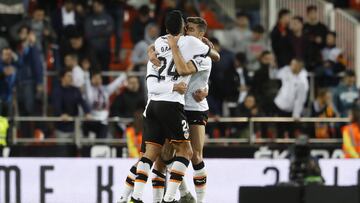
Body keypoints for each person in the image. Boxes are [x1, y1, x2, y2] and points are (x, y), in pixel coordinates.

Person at [130, 10, 219, 203]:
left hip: (193, 107)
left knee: (195, 155)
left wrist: (206, 89)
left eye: (192, 29)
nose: (187, 31)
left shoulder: (200, 52)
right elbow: (159, 44)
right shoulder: (182, 42)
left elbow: (184, 69)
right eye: (186, 28)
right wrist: (150, 50)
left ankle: (197, 199)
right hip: (173, 105)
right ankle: (181, 194)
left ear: (201, 34)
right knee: (163, 157)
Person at [83, 70, 126, 138]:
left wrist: (123, 75)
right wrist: (87, 76)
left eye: (99, 78)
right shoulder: (89, 90)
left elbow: (114, 84)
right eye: (95, 78)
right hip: (91, 120)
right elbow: (88, 94)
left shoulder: (105, 90)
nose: (98, 80)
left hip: (103, 121)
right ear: (92, 80)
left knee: (101, 143)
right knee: (89, 143)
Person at [273, 58, 309, 137]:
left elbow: (300, 100)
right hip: (278, 104)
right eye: (292, 64)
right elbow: (275, 76)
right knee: (279, 130)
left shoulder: (302, 81)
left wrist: (296, 114)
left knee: (291, 132)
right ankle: (278, 148)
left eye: (295, 65)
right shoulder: (285, 71)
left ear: (299, 67)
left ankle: (290, 147)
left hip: (290, 109)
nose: (292, 66)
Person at [52, 70, 91, 138]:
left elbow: (82, 102)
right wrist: (61, 114)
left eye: (72, 76)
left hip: (74, 126)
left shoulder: (75, 90)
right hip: (61, 127)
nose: (71, 78)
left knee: (80, 146)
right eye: (69, 76)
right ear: (62, 78)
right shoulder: (57, 91)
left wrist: (87, 112)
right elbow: (56, 106)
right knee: (62, 147)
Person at [84, 0, 114, 74]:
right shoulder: (89, 19)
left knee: (105, 70)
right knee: (94, 71)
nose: (96, 8)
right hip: (92, 49)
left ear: (102, 6)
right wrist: (103, 32)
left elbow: (110, 31)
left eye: (98, 6)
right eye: (94, 6)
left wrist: (95, 32)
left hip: (105, 49)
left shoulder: (108, 17)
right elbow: (88, 34)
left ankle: (105, 85)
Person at [303, 5, 328, 71]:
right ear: (307, 14)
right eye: (311, 13)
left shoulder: (323, 27)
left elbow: (327, 42)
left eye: (314, 12)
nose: (313, 14)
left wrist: (321, 41)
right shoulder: (304, 27)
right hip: (306, 57)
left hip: (319, 58)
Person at [0, 47, 16, 116]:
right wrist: (3, 74)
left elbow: (21, 63)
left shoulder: (13, 65)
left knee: (8, 120)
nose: (8, 57)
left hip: (9, 98)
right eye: (6, 54)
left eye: (9, 54)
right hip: (1, 97)